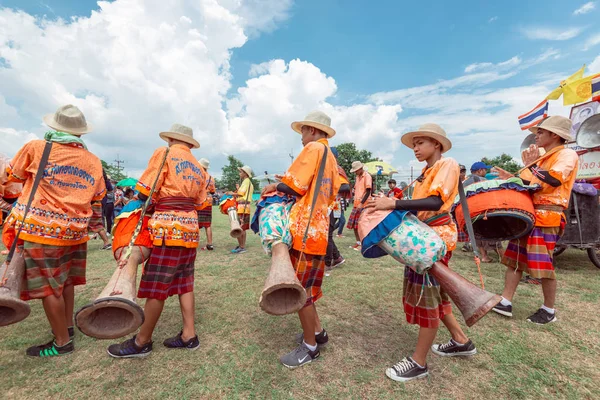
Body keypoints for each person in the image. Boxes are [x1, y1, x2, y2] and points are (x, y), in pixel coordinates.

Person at [367, 123, 476, 382]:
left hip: (433, 241)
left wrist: (393, 202)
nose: (415, 148)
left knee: (428, 298)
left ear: (436, 144)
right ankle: (461, 340)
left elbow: (436, 202)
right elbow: (418, 208)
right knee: (437, 293)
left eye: (420, 143)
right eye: (414, 144)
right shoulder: (427, 172)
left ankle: (419, 362)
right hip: (423, 237)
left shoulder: (447, 164)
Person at [3, 104, 105, 357]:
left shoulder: (37, 147)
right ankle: (67, 327)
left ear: (55, 126)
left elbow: (11, 178)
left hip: (41, 230)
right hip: (75, 231)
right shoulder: (93, 160)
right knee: (65, 281)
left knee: (49, 287)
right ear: (81, 132)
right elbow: (99, 195)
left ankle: (61, 342)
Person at [107, 123, 206, 358]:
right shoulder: (198, 167)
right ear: (190, 144)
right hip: (190, 230)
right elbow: (201, 202)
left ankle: (142, 342)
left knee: (157, 286)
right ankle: (189, 335)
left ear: (171, 140)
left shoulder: (164, 153)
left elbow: (144, 191)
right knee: (184, 281)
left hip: (167, 230)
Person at [262, 110, 341, 369]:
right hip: (319, 227)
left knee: (301, 291)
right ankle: (318, 332)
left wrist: (276, 186)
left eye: (304, 130)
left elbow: (295, 186)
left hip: (305, 229)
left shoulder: (314, 149)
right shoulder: (331, 156)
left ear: (314, 131)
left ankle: (310, 347)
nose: (302, 136)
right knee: (307, 287)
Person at [492, 116, 578, 324]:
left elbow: (554, 179)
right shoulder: (543, 158)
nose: (536, 136)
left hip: (547, 217)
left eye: (540, 132)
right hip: (528, 216)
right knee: (515, 261)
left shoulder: (567, 154)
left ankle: (549, 310)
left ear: (555, 135)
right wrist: (512, 178)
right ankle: (505, 301)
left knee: (543, 265)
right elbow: (531, 183)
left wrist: (531, 166)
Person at [462, 161, 502, 261]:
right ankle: (504, 257)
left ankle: (484, 256)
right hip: (484, 211)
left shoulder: (465, 182)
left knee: (478, 235)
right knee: (493, 235)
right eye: (485, 169)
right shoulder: (483, 180)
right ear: (480, 170)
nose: (486, 171)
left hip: (471, 213)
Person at [324, 146, 351, 270]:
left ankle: (327, 263)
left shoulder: (337, 169)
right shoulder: (328, 169)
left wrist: (328, 189)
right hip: (328, 206)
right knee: (327, 234)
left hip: (334, 207)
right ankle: (338, 258)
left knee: (327, 235)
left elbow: (345, 187)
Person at [347, 161, 372, 251]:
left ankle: (363, 243)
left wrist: (362, 203)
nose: (355, 172)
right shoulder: (357, 177)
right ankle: (358, 242)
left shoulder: (367, 176)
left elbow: (368, 191)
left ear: (360, 169)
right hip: (356, 204)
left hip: (364, 204)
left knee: (362, 225)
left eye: (356, 171)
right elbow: (356, 189)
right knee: (354, 225)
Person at [230, 165, 254, 254]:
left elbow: (241, 194)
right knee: (242, 227)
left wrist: (231, 193)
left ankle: (242, 247)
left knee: (239, 227)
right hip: (245, 206)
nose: (239, 173)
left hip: (242, 207)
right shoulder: (248, 182)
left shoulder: (246, 181)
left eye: (241, 172)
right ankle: (241, 246)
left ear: (245, 173)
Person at [198, 158, 216, 251]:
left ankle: (194, 242)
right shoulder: (211, 178)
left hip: (199, 201)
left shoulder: (197, 176)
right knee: (207, 224)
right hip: (208, 201)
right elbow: (213, 191)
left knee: (196, 223)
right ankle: (210, 244)